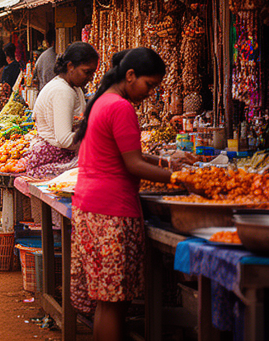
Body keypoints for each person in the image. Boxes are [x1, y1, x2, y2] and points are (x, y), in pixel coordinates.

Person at [70, 48, 195, 341]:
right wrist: (183, 179)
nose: (150, 93)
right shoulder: (120, 107)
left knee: (108, 301)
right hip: (111, 212)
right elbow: (133, 163)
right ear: (130, 76)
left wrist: (166, 162)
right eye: (149, 85)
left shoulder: (102, 101)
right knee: (114, 303)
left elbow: (128, 154)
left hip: (92, 207)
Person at [24, 42, 100, 179]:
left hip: (53, 154)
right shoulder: (63, 91)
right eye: (87, 72)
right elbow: (65, 140)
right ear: (70, 66)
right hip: (52, 159)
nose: (90, 78)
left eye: (92, 74)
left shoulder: (71, 87)